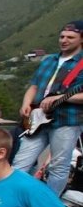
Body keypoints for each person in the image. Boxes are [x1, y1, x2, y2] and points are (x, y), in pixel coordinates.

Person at [12, 20, 83, 196]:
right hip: (38, 118)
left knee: (59, 166)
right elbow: (34, 85)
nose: (64, 40)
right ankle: (14, 200)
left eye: (70, 37)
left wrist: (59, 98)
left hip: (67, 119)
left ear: (81, 39)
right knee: (20, 162)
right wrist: (26, 103)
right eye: (62, 36)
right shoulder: (49, 60)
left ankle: (48, 204)